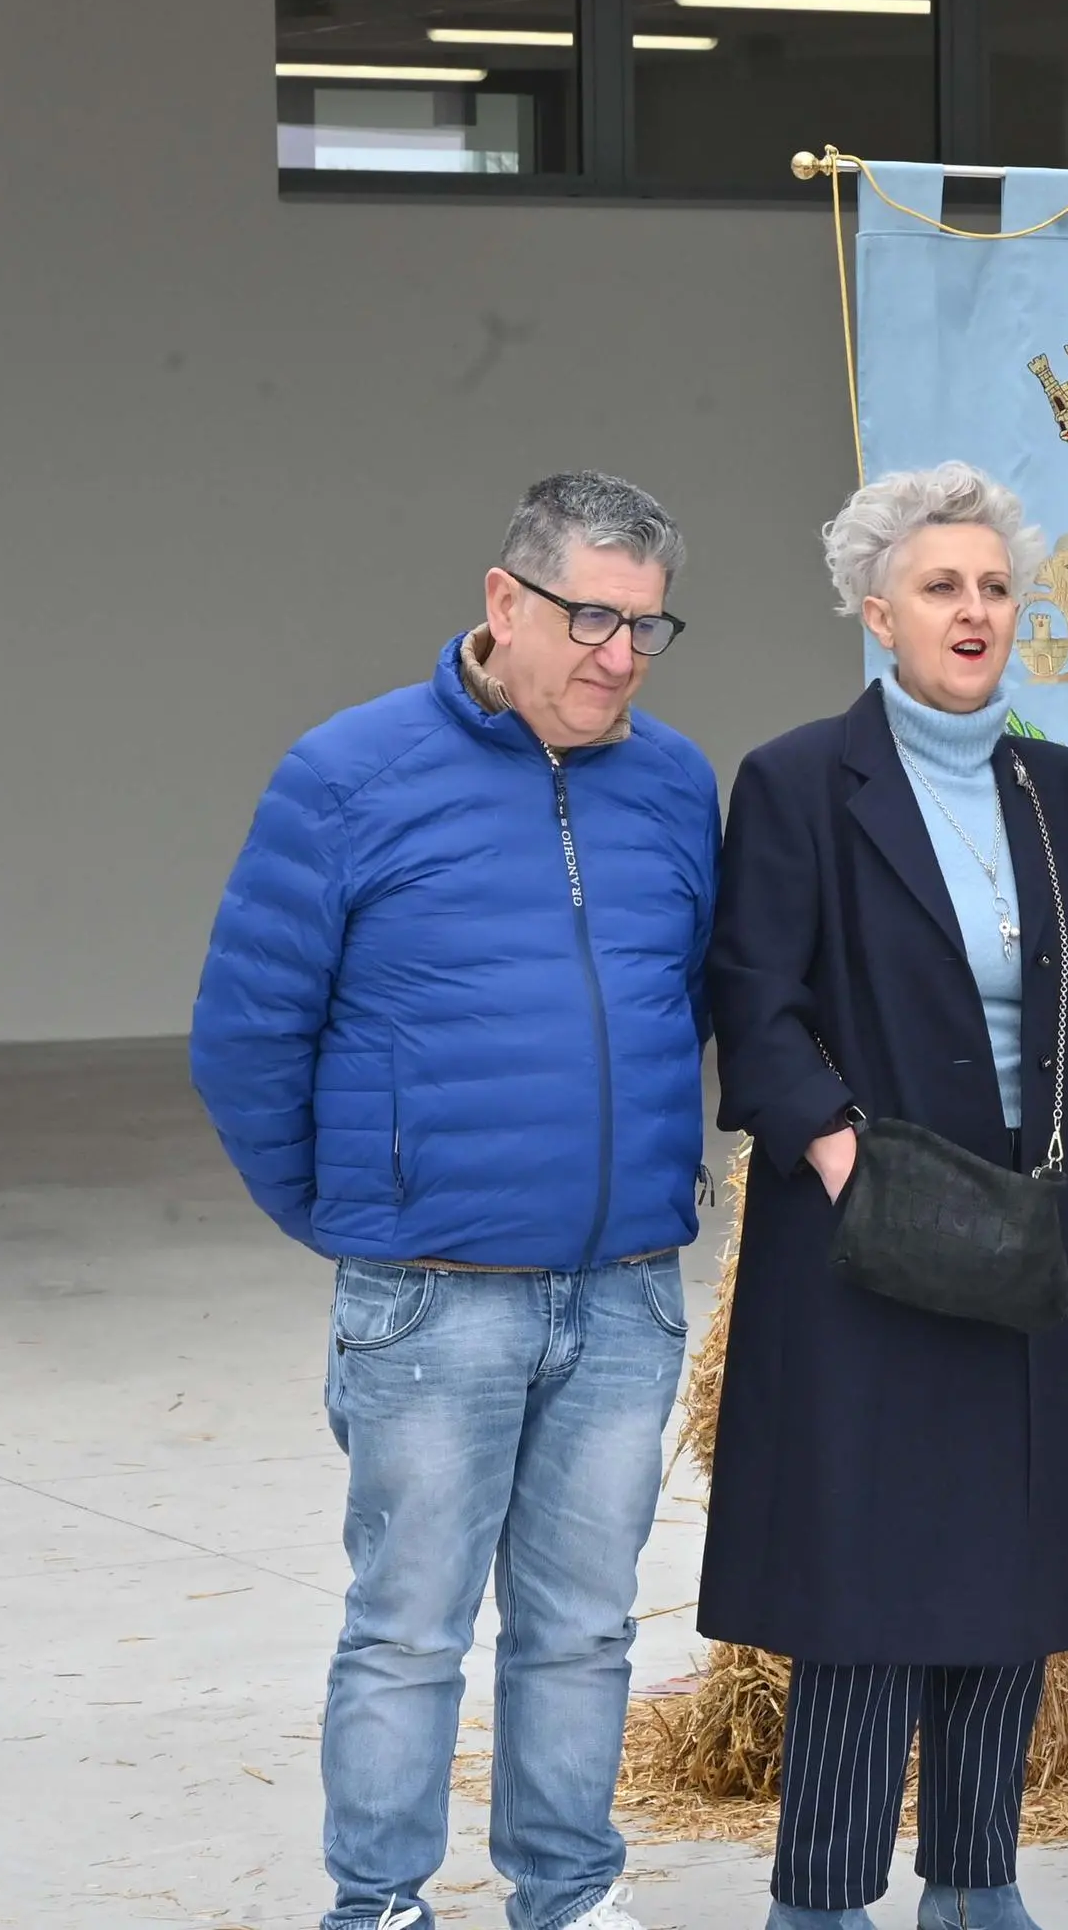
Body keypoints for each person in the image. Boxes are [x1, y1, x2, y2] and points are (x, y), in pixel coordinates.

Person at [191, 473, 718, 1930]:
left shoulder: (674, 783)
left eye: (646, 623)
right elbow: (245, 1034)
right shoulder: (348, 774)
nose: (618, 654)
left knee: (582, 1628)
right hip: (433, 1296)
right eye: (589, 617)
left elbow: (688, 1000)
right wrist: (362, 1212)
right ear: (504, 601)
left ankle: (567, 1896)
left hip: (624, 1290)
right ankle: (378, 1905)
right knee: (409, 1632)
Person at [701, 463, 1068, 1930]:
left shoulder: (1056, 782)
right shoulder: (796, 780)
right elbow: (752, 1000)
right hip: (871, 1232)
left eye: (995, 586)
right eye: (941, 586)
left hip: (1030, 1229)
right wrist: (839, 1157)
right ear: (877, 610)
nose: (972, 610)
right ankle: (820, 1899)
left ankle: (975, 1882)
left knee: (1006, 1566)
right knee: (867, 1578)